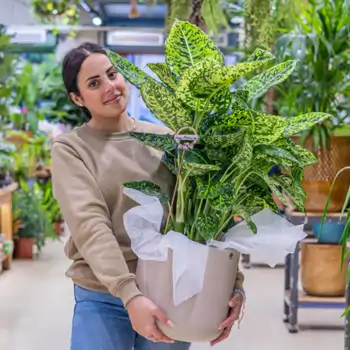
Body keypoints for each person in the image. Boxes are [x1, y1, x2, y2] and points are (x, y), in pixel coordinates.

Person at [51, 42, 245, 350]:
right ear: (77, 98)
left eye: (112, 74)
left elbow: (206, 219)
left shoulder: (167, 141)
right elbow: (91, 226)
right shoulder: (72, 149)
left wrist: (232, 287)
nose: (110, 86)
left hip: (169, 292)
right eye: (93, 83)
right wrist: (130, 294)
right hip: (103, 294)